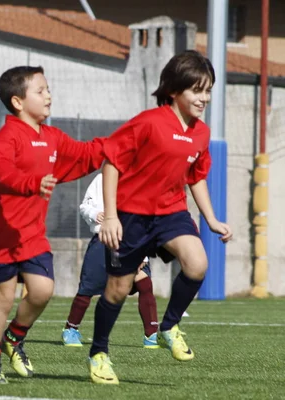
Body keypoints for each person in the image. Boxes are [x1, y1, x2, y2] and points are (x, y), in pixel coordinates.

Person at [87, 50, 232, 385]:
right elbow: (112, 162)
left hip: (171, 213)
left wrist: (211, 219)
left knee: (197, 264)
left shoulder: (201, 133)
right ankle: (98, 353)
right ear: (174, 91)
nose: (204, 98)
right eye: (197, 90)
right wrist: (110, 217)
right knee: (117, 290)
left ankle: (168, 326)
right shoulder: (149, 122)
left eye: (208, 90)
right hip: (132, 217)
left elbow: (196, 176)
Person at [0, 65, 105, 384]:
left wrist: (123, 143)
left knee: (42, 291)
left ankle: (13, 338)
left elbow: (86, 154)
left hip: (30, 234)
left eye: (48, 89)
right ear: (18, 101)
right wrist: (32, 183)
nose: (48, 95)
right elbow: (0, 172)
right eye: (40, 90)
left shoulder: (53, 137)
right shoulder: (6, 138)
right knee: (2, 298)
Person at [61, 173, 159, 349]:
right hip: (103, 239)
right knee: (87, 288)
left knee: (144, 283)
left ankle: (151, 335)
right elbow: (84, 206)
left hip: (131, 242)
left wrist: (143, 254)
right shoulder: (101, 178)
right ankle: (71, 329)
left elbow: (146, 219)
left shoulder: (141, 179)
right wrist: (95, 213)